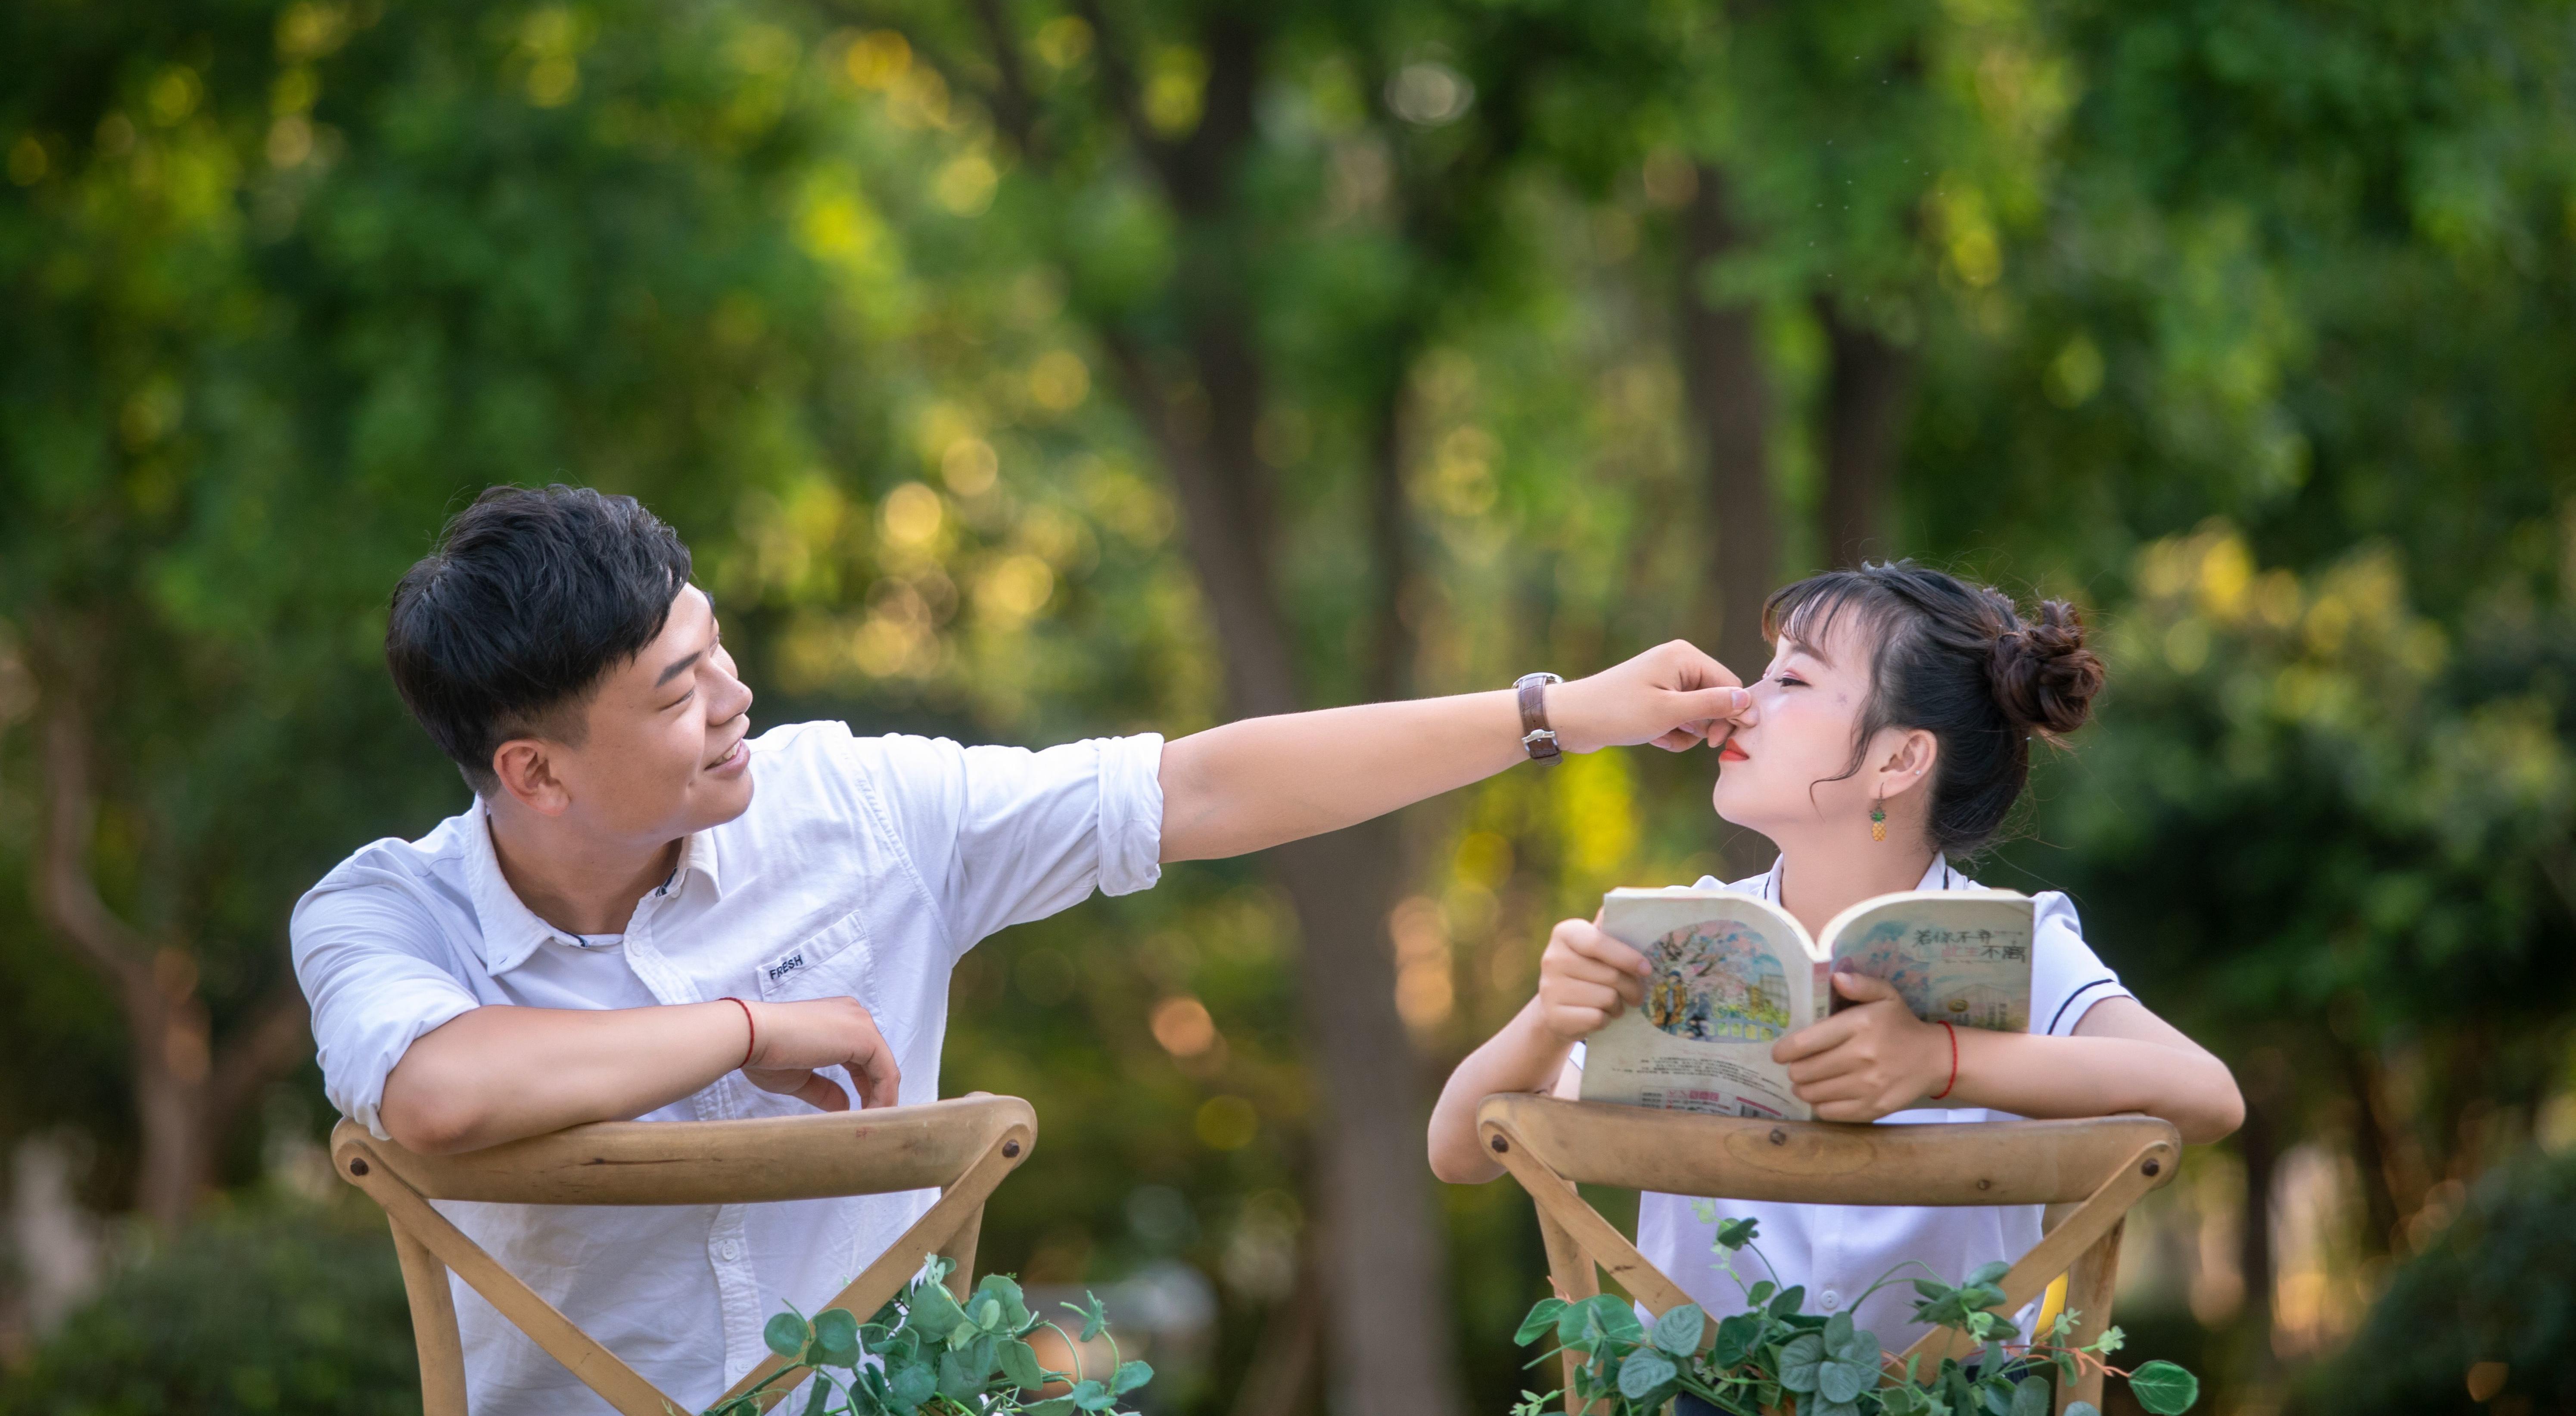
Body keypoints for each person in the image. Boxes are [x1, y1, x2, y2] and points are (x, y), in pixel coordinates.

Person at [292, 483, 1757, 1416]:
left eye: (718, 643)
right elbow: (432, 1093)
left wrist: (1556, 710)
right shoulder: (386, 910)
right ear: (536, 772)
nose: (735, 693)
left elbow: (1200, 786)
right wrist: (757, 1026)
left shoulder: (856, 807)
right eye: (680, 688)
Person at [1428, 562, 2243, 1365]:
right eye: (1765, 670)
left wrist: (1942, 1061)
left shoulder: (2017, 942)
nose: (1743, 701)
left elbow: (2210, 1097)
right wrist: (1547, 1017)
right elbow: (1459, 1150)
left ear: (1899, 760)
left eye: (1795, 680)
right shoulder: (1682, 935)